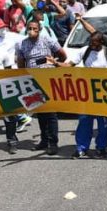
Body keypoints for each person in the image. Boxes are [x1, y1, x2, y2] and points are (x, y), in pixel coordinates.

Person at [15, 20, 68, 156]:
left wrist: (54, 62)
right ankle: (44, 140)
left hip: (49, 81)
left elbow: (63, 55)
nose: (32, 30)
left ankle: (53, 143)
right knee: (41, 112)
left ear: (39, 30)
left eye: (35, 28)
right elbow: (21, 65)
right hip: (33, 82)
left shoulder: (47, 40)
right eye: (30, 28)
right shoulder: (22, 44)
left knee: (50, 113)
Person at [70, 32, 107, 159]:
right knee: (84, 121)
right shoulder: (85, 51)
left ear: (101, 42)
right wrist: (57, 65)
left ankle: (101, 148)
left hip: (104, 95)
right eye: (90, 41)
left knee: (104, 123)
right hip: (87, 94)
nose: (91, 44)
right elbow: (69, 65)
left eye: (94, 42)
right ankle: (81, 148)